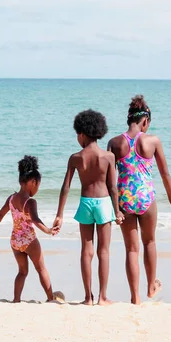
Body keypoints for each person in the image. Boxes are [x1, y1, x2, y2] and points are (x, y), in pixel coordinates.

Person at [107, 95, 171, 305]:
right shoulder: (152, 141)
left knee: (131, 249)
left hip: (125, 199)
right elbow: (165, 174)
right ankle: (150, 287)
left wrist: (114, 208)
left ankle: (135, 297)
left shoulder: (114, 143)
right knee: (149, 242)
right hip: (146, 197)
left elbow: (109, 179)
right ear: (145, 121)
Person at [54, 110, 123, 306]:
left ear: (82, 134)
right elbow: (112, 187)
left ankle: (87, 298)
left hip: (85, 202)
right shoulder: (108, 156)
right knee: (104, 251)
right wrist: (117, 211)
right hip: (103, 203)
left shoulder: (76, 157)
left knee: (86, 250)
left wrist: (60, 214)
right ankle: (102, 297)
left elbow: (65, 187)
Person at [0, 156, 57, 303]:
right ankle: (50, 298)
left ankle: (16, 300)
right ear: (33, 182)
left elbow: (0, 214)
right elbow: (35, 220)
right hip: (29, 240)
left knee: (22, 272)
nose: (37, 189)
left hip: (15, 241)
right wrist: (48, 230)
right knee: (41, 268)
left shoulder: (11, 198)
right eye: (38, 185)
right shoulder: (30, 201)